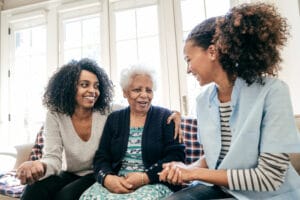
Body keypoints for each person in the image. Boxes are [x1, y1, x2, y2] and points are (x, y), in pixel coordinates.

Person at [159, 3, 300, 200]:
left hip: (267, 194)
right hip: (223, 189)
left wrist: (194, 173)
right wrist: (185, 169)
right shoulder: (203, 100)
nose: (188, 69)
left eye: (188, 59)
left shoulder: (273, 92)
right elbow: (214, 157)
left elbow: (269, 177)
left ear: (212, 51)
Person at [16, 58, 182, 200]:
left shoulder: (109, 112)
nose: (92, 91)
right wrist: (40, 165)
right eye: (84, 85)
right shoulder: (55, 115)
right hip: (71, 172)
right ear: (68, 87)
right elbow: (53, 158)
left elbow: (138, 107)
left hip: (95, 173)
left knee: (65, 197)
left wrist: (175, 114)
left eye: (96, 86)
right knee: (34, 190)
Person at [80, 65, 185, 200]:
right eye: (137, 90)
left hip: (154, 181)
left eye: (149, 90)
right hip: (119, 180)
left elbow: (176, 156)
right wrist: (107, 178)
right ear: (125, 93)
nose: (144, 95)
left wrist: (144, 177)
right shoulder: (114, 118)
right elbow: (102, 156)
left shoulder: (165, 117)